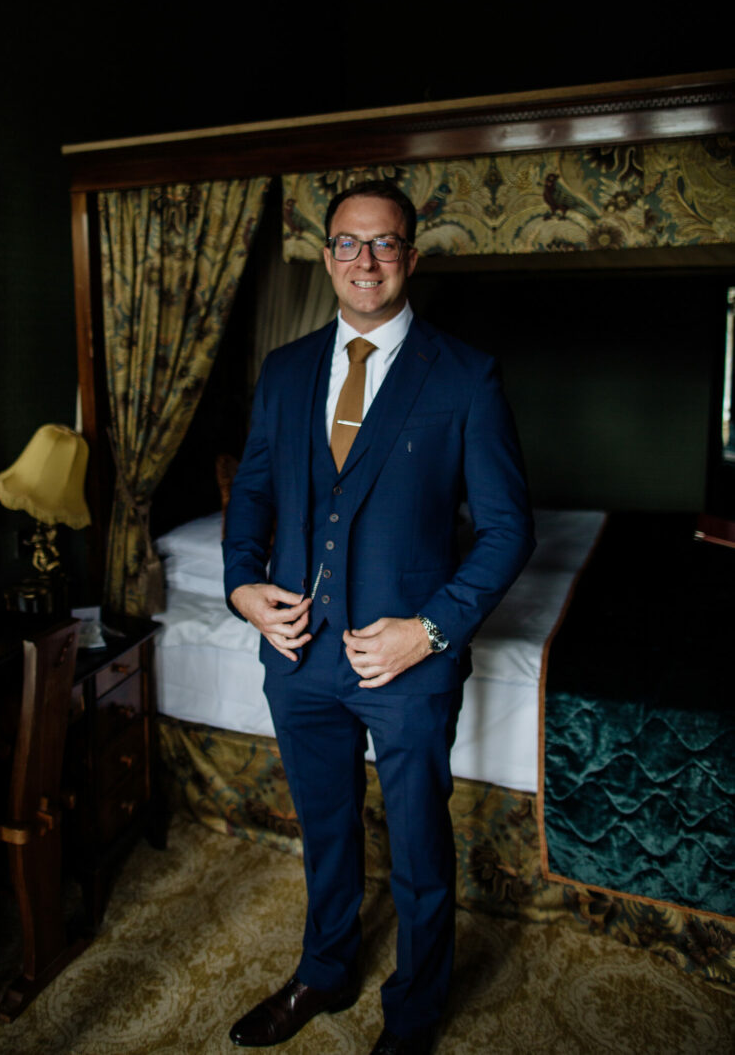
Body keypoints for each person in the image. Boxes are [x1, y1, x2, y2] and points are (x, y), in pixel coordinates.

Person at [223, 181, 535, 1054]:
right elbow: (250, 494)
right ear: (326, 257)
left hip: (408, 663)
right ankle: (322, 973)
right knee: (324, 834)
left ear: (409, 255)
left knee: (417, 854)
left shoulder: (465, 375)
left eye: (384, 244)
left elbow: (509, 529)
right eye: (349, 244)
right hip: (296, 656)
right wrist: (242, 588)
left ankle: (415, 1012)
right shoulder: (284, 372)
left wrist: (428, 631)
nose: (366, 261)